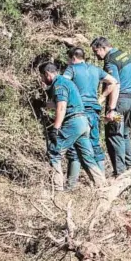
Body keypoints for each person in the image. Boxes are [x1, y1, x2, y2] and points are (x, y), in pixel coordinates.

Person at [39, 62, 105, 191]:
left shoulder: (59, 85)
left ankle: (56, 190)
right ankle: (102, 186)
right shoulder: (66, 82)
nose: (42, 79)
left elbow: (62, 107)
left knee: (54, 152)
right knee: (86, 157)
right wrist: (44, 104)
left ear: (47, 74)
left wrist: (55, 128)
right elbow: (60, 103)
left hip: (73, 122)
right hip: (83, 122)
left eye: (42, 76)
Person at [63, 47, 119, 189]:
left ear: (73, 58)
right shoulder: (95, 69)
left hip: (78, 112)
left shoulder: (72, 69)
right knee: (95, 146)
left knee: (75, 148)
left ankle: (70, 186)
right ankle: (102, 185)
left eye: (68, 59)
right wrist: (101, 98)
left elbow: (63, 84)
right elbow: (113, 81)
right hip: (94, 111)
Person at [91, 37, 131, 177]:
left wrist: (111, 108)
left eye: (96, 51)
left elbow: (115, 84)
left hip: (119, 103)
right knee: (125, 134)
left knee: (114, 135)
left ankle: (120, 173)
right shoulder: (126, 55)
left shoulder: (110, 60)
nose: (96, 55)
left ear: (103, 48)